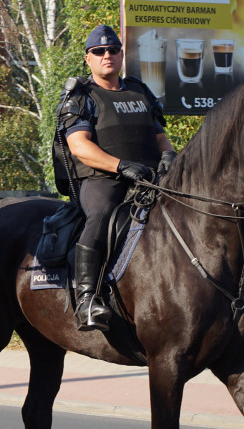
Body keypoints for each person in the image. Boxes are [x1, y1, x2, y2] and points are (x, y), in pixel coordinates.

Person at [53, 25, 176, 332]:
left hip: (149, 178)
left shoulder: (139, 91)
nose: (106, 55)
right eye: (98, 52)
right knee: (101, 215)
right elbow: (80, 146)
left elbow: (160, 137)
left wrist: (169, 156)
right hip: (102, 180)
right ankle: (86, 300)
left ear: (122, 55)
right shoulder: (82, 96)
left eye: (112, 50)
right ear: (88, 59)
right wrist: (121, 166)